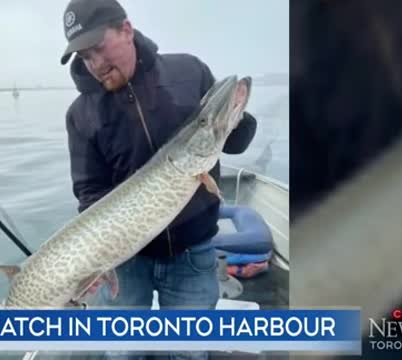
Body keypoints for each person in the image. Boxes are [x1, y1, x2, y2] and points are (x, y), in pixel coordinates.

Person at [61, 0, 257, 358]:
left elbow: (234, 142)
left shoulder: (189, 71)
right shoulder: (80, 115)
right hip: (126, 263)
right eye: (86, 57)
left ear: (126, 29)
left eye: (99, 49)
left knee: (188, 352)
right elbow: (89, 192)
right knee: (123, 354)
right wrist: (96, 259)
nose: (95, 65)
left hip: (191, 254)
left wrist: (235, 120)